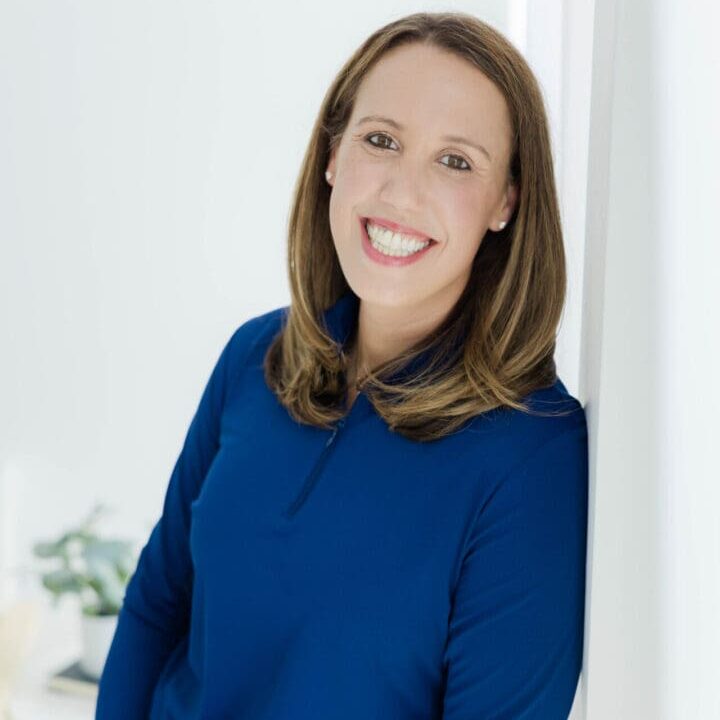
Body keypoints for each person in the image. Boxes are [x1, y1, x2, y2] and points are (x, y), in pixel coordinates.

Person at [96, 11, 589, 719]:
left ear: (506, 200)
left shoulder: (533, 455)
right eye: (381, 140)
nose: (401, 191)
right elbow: (155, 606)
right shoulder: (253, 358)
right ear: (332, 155)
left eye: (457, 161)